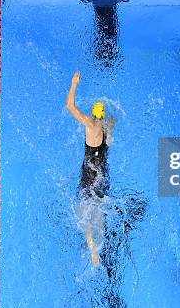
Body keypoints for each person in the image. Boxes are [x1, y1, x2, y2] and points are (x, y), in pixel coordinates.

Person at [66, 71, 112, 265]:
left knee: (83, 208)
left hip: (90, 173)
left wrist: (74, 84)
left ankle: (93, 250)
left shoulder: (92, 125)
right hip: (103, 171)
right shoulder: (109, 125)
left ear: (94, 115)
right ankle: (101, 245)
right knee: (99, 206)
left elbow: (71, 107)